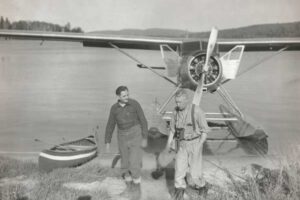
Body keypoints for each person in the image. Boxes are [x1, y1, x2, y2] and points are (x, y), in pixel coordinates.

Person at [166, 89, 210, 200]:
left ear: (186, 100)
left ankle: (203, 188)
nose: (177, 104)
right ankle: (179, 196)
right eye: (176, 102)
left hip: (195, 143)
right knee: (179, 172)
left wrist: (199, 146)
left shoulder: (197, 111)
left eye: (179, 102)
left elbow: (205, 131)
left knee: (195, 174)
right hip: (181, 144)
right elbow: (172, 130)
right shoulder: (175, 112)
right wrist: (168, 144)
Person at [105, 86, 148, 199]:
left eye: (128, 94)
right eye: (124, 96)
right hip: (122, 136)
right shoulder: (114, 108)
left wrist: (145, 138)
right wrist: (107, 141)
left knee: (134, 164)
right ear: (118, 96)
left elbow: (143, 120)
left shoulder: (134, 104)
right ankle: (129, 190)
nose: (127, 97)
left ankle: (137, 193)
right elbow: (110, 125)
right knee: (124, 165)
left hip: (136, 134)